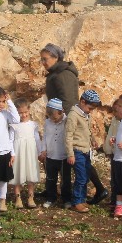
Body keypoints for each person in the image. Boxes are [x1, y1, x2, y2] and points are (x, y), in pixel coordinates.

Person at [40, 43, 107, 205]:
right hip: (60, 117)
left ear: (56, 58)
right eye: (41, 59)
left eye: (45, 59)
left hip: (66, 119)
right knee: (67, 156)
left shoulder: (64, 75)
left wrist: (68, 121)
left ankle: (97, 188)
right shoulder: (56, 73)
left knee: (76, 156)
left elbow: (69, 100)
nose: (42, 62)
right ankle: (61, 189)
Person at [64, 89, 101, 213]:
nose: (91, 111)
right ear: (83, 102)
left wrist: (93, 140)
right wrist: (70, 154)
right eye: (90, 108)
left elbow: (88, 130)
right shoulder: (73, 115)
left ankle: (82, 199)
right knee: (80, 177)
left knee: (85, 176)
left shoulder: (86, 114)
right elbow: (68, 135)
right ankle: (76, 201)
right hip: (77, 150)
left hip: (86, 150)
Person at [9, 98, 41, 209]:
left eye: (25, 112)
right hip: (18, 151)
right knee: (17, 173)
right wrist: (12, 153)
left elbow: (37, 139)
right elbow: (10, 140)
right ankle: (18, 198)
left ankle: (31, 197)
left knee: (30, 173)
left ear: (29, 111)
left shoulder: (33, 125)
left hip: (30, 152)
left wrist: (40, 151)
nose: (23, 115)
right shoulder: (14, 126)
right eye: (20, 113)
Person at [39, 98, 69, 209]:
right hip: (51, 156)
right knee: (50, 179)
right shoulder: (48, 122)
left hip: (63, 156)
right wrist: (43, 149)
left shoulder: (67, 121)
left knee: (65, 180)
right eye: (51, 118)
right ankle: (51, 197)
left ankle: (66, 199)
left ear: (61, 112)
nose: (53, 120)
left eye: (55, 118)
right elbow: (45, 136)